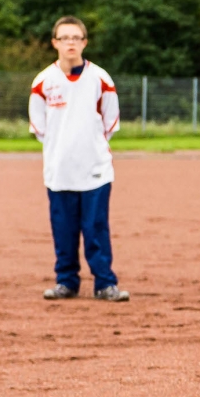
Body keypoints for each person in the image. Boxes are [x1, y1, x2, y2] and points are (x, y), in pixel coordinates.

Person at [30, 16, 129, 302]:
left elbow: (110, 122)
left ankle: (105, 283)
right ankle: (66, 282)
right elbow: (39, 127)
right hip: (59, 171)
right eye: (64, 38)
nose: (70, 43)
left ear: (84, 42)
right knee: (64, 230)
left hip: (95, 170)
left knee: (96, 228)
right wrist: (62, 148)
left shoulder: (101, 79)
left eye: (76, 38)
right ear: (54, 43)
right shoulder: (43, 82)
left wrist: (89, 146)